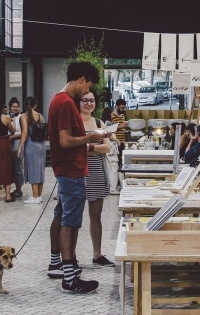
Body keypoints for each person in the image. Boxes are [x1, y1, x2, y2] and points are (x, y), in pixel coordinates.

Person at [46, 61, 105, 293]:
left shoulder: (57, 99)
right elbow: (65, 141)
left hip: (66, 170)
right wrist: (90, 137)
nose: (87, 90)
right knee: (71, 223)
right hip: (71, 170)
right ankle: (69, 278)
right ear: (82, 79)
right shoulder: (67, 104)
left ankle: (60, 265)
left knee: (63, 217)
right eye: (88, 84)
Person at [78, 88, 115, 267]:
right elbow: (71, 146)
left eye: (91, 100)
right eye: (85, 100)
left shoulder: (100, 122)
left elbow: (107, 148)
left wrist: (88, 148)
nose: (88, 103)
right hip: (76, 171)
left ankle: (97, 254)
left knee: (96, 215)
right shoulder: (74, 121)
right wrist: (93, 145)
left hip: (96, 171)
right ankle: (69, 257)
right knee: (73, 216)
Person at [17, 96, 46, 204]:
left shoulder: (24, 116)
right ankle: (39, 196)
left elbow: (24, 132)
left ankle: (34, 197)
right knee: (40, 171)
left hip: (31, 145)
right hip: (41, 146)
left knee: (33, 170)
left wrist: (20, 147)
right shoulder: (40, 116)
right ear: (35, 105)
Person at [8, 97, 24, 199]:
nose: (15, 108)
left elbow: (24, 132)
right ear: (10, 108)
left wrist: (13, 137)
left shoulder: (22, 117)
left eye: (17, 107)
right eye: (13, 107)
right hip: (8, 142)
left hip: (17, 141)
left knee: (17, 166)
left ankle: (19, 189)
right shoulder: (7, 117)